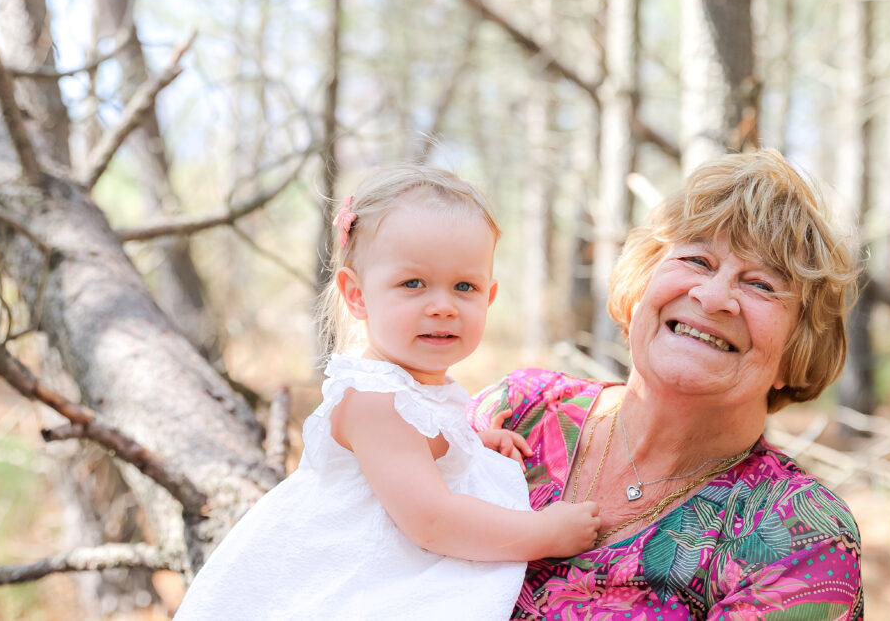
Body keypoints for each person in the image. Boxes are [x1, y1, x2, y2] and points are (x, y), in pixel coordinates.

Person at [174, 166, 600, 620]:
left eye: (465, 286)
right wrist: (543, 533)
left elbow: (413, 453)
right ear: (356, 295)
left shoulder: (408, 385)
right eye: (412, 284)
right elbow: (432, 521)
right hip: (348, 583)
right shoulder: (375, 399)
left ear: (489, 297)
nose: (442, 305)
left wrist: (465, 448)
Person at [470, 149, 864, 620]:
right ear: (641, 288)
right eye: (697, 260)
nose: (715, 297)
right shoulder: (521, 410)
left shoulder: (799, 534)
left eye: (760, 284)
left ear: (796, 350)